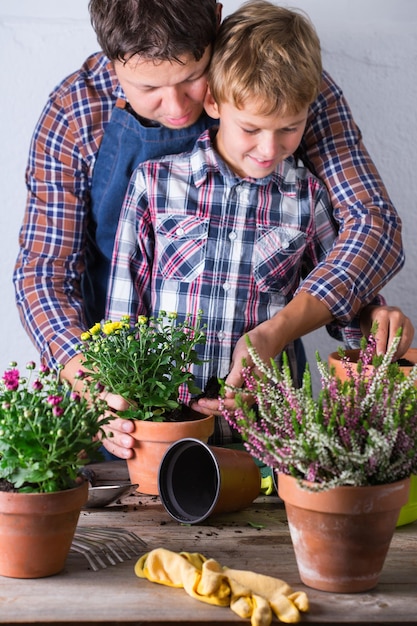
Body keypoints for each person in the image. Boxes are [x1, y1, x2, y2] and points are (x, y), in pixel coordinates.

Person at [13, 0, 412, 457]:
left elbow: (371, 223)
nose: (179, 106)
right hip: (131, 407)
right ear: (109, 54)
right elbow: (43, 274)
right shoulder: (75, 111)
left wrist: (323, 324)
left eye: (191, 78)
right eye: (149, 88)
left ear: (215, 23)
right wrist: (97, 386)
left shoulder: (282, 83)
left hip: (260, 408)